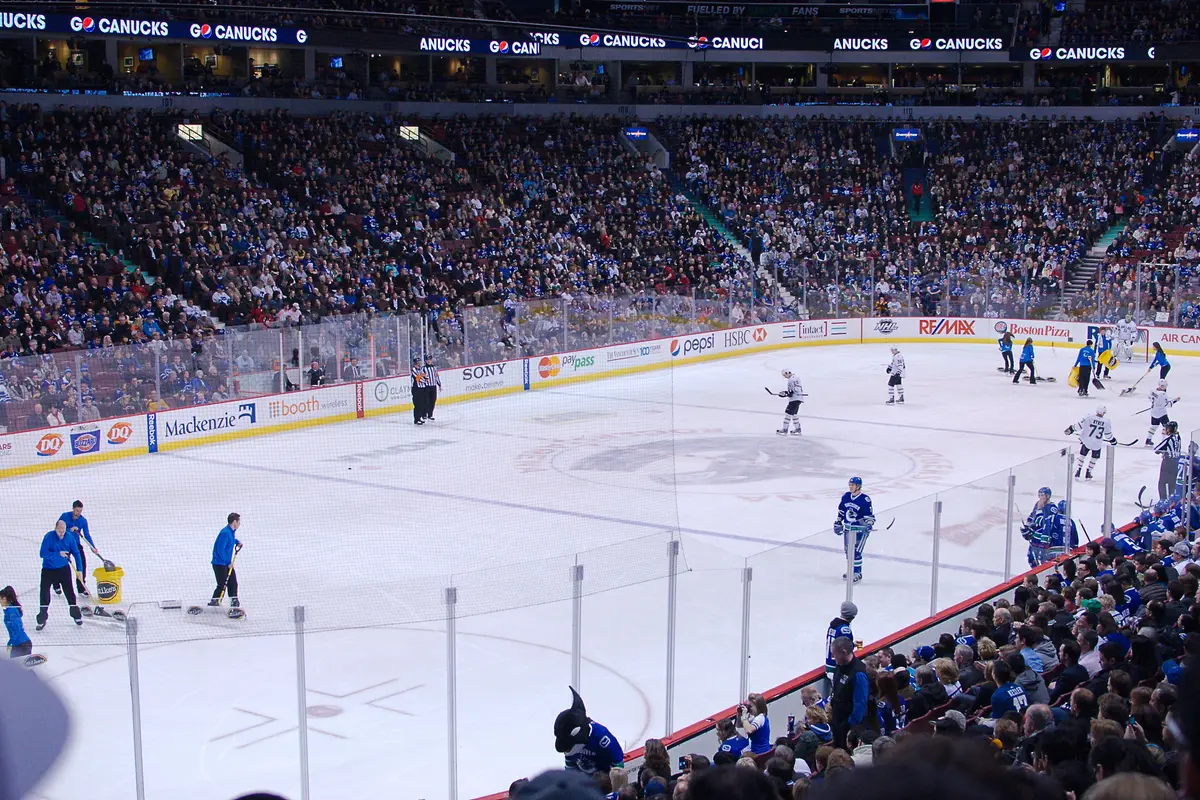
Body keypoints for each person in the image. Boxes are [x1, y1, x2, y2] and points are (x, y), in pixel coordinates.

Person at [554, 688, 624, 775]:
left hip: (604, 780)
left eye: (568, 748)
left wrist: (612, 784)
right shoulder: (567, 742)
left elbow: (618, 762)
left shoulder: (601, 736)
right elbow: (570, 766)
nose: (568, 751)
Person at [37, 519, 82, 630]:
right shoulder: (48, 537)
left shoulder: (69, 537)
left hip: (63, 570)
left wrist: (79, 570)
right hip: (48, 570)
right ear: (55, 528)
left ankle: (76, 615)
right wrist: (58, 554)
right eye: (59, 531)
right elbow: (42, 554)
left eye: (63, 530)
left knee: (69, 592)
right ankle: (42, 618)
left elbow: (76, 553)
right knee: (44, 593)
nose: (62, 533)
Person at [829, 637, 868, 749]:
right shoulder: (840, 666)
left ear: (843, 652)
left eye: (834, 654)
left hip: (847, 728)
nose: (833, 657)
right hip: (837, 722)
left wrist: (849, 727)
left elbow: (860, 704)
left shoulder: (858, 674)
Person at [834, 477, 875, 583]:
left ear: (858, 486)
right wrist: (838, 522)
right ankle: (850, 570)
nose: (850, 487)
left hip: (860, 530)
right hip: (848, 529)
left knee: (856, 551)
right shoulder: (846, 497)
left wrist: (868, 525)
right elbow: (842, 511)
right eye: (850, 484)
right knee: (848, 551)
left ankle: (857, 572)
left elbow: (869, 516)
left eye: (852, 485)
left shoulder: (865, 500)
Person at [1065, 405, 1118, 482]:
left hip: (1086, 441)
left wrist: (1071, 429)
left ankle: (1078, 470)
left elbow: (1079, 425)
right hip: (1097, 444)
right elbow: (1108, 435)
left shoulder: (1089, 417)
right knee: (1094, 458)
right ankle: (1088, 472)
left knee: (1082, 455)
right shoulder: (1106, 421)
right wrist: (1113, 440)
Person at [58, 500, 98, 596]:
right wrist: (69, 530)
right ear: (73, 509)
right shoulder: (64, 516)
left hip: (76, 545)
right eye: (76, 511)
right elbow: (58, 529)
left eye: (80, 511)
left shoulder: (83, 521)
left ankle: (81, 587)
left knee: (82, 564)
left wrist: (93, 547)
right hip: (64, 545)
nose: (78, 513)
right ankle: (56, 584)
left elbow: (87, 535)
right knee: (60, 565)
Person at [209, 512, 243, 608]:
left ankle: (234, 600)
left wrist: (237, 542)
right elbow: (220, 550)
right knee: (222, 584)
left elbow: (231, 540)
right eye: (238, 521)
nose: (239, 524)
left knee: (233, 581)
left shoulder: (231, 532)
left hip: (225, 563)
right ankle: (215, 601)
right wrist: (228, 563)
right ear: (234, 522)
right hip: (219, 563)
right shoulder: (225, 533)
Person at [825, 601, 857, 684]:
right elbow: (846, 648)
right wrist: (854, 645)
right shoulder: (845, 629)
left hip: (829, 665)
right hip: (838, 667)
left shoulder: (833, 626)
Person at [736, 692, 772, 759]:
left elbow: (748, 730)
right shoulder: (755, 717)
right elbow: (739, 725)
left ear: (758, 707)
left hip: (760, 754)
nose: (749, 709)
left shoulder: (760, 718)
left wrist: (744, 717)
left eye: (751, 706)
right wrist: (739, 714)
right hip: (760, 752)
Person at [1145, 380, 1179, 448]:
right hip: (1162, 413)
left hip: (1154, 412)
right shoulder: (1163, 394)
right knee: (1166, 427)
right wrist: (1175, 400)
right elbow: (1167, 405)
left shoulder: (1153, 391)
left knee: (1154, 426)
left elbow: (1150, 398)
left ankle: (1148, 439)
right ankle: (1164, 441)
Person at [1, 586, 31, 659]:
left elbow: (16, 629)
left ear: (4, 599)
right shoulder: (9, 611)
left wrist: (11, 643)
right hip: (18, 644)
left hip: (22, 645)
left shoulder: (11, 612)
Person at [1155, 421, 1182, 500]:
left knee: (1162, 483)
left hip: (1168, 463)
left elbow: (1156, 449)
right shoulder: (1178, 437)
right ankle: (1172, 500)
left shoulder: (1169, 438)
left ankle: (1163, 500)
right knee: (1172, 483)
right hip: (1176, 462)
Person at [775, 369, 804, 436]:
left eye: (784, 375)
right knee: (794, 414)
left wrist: (786, 393)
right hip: (798, 399)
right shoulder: (795, 378)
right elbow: (794, 390)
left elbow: (793, 391)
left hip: (794, 399)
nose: (785, 377)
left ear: (787, 373)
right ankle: (797, 429)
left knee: (788, 414)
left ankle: (785, 429)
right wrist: (786, 393)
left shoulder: (791, 380)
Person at [422, 356, 441, 421]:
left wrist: (439, 384)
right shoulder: (423, 368)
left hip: (433, 386)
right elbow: (421, 377)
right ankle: (424, 414)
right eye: (428, 360)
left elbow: (436, 376)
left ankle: (430, 414)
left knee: (433, 400)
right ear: (426, 361)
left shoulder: (434, 368)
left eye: (430, 360)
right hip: (426, 387)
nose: (429, 361)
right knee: (426, 400)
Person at [410, 357, 426, 425]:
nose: (419, 364)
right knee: (417, 404)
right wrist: (423, 379)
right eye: (418, 363)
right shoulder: (413, 369)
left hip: (421, 388)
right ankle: (416, 419)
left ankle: (419, 417)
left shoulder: (420, 369)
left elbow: (425, 376)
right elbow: (418, 378)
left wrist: (423, 377)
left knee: (422, 403)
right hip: (416, 389)